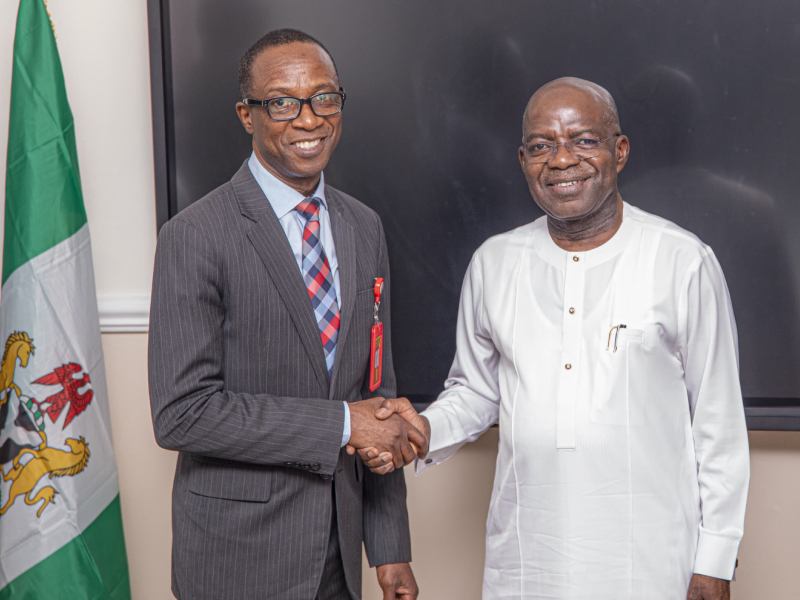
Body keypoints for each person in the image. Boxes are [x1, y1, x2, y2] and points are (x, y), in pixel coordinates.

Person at [359, 77, 749, 599]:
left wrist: (715, 560)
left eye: (583, 140)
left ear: (620, 151)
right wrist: (424, 430)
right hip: (526, 560)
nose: (562, 159)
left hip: (652, 563)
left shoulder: (682, 261)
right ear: (523, 161)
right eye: (542, 146)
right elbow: (477, 390)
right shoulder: (495, 262)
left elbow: (718, 424)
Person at [148, 29, 423, 600]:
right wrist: (344, 425)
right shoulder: (194, 235)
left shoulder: (363, 226)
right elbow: (182, 414)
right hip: (239, 560)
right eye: (282, 103)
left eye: (324, 98)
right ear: (246, 115)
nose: (309, 119)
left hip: (339, 555)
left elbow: (377, 392)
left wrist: (390, 546)